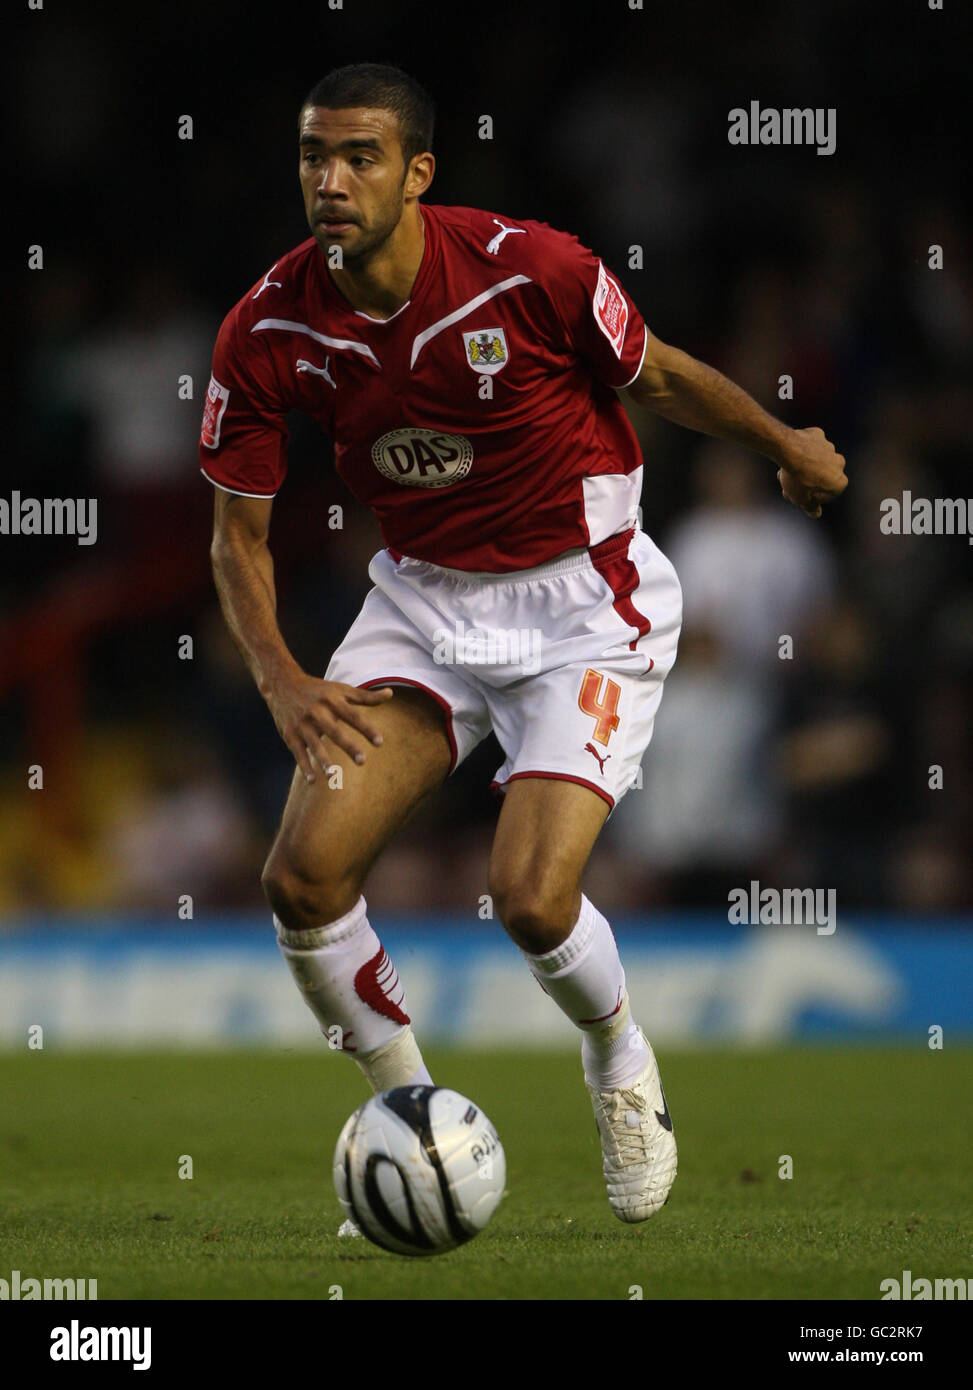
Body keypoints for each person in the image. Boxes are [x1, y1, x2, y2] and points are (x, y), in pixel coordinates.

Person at [202, 63, 847, 1226]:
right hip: (426, 605)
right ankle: (409, 1110)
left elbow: (656, 373)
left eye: (359, 157)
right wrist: (283, 677)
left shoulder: (531, 267)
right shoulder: (267, 326)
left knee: (531, 901)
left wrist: (783, 441)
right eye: (313, 156)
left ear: (418, 172)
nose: (331, 181)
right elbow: (235, 537)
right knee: (300, 877)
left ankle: (619, 1060)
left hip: (584, 603)